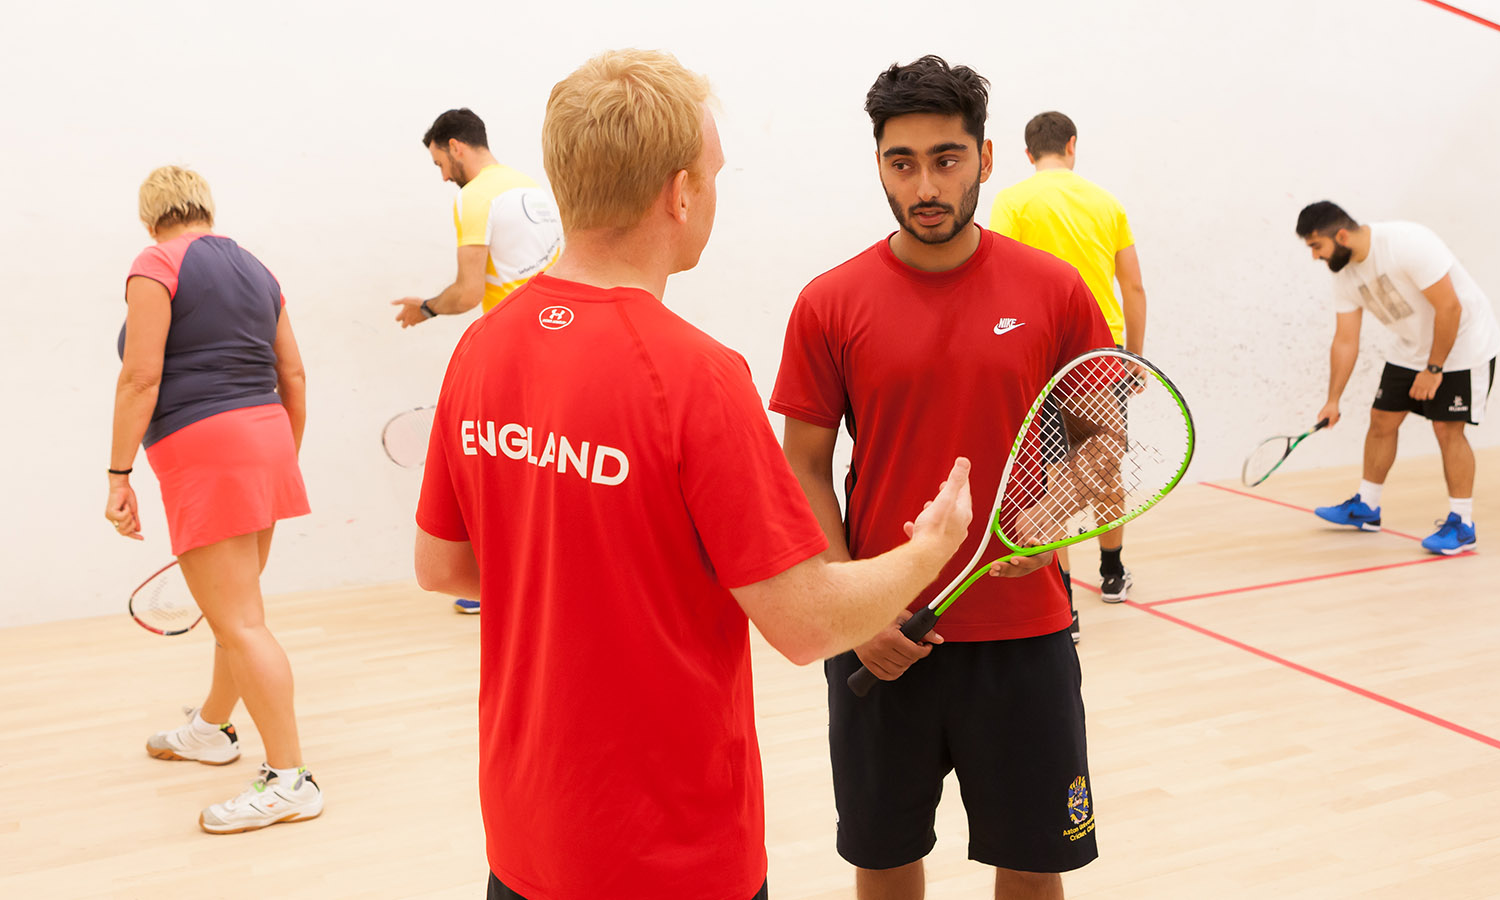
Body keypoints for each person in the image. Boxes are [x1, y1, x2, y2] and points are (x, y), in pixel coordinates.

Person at [411, 50, 974, 900]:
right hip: (672, 859)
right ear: (680, 192)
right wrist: (927, 551)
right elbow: (804, 624)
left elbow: (443, 566)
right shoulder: (696, 376)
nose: (714, 189)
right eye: (712, 174)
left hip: (525, 840)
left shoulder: (481, 351)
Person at [771, 56, 1111, 900]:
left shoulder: (1055, 291)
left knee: (1033, 865)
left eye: (947, 159)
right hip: (884, 638)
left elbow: (1101, 444)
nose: (925, 184)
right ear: (880, 163)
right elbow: (804, 466)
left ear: (986, 160)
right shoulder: (829, 302)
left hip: (1026, 638)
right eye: (902, 162)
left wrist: (1058, 513)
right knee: (883, 861)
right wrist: (854, 607)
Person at [106, 165, 320, 833]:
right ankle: (211, 728)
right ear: (205, 206)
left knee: (240, 623)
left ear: (151, 217)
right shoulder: (258, 269)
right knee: (239, 611)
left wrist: (117, 474)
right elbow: (294, 373)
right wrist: (281, 450)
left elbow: (141, 376)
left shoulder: (155, 261)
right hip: (265, 438)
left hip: (206, 451)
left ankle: (290, 779)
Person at [393, 107, 563, 614]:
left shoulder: (475, 197)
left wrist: (424, 309)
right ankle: (542, 580)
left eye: (440, 162)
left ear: (456, 146)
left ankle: (496, 582)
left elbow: (468, 292)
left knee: (500, 466)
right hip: (559, 339)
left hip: (516, 348)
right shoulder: (531, 186)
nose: (443, 174)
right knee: (545, 465)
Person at [990, 110, 1149, 625]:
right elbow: (1134, 287)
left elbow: (999, 275)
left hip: (1039, 357)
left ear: (1029, 152)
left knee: (1049, 479)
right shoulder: (1107, 203)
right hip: (1101, 356)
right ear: (1072, 146)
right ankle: (1112, 572)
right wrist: (1134, 357)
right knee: (1102, 465)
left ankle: (1065, 607)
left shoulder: (1012, 201)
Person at [1296, 201, 1500, 556]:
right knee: (1382, 420)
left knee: (1446, 428)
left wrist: (1434, 369)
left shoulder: (1408, 243)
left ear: (1341, 235)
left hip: (1464, 343)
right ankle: (1366, 507)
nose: (1315, 256)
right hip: (1411, 346)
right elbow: (1346, 339)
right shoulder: (1343, 273)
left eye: (1317, 246)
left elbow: (1450, 308)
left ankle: (1463, 523)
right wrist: (1333, 400)